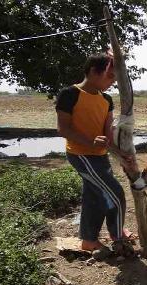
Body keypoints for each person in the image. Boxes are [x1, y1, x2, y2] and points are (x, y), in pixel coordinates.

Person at [55, 53, 134, 260]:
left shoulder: (106, 100)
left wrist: (121, 155)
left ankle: (89, 239)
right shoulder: (70, 94)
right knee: (115, 193)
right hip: (80, 155)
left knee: (94, 196)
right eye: (109, 77)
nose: (111, 83)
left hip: (100, 156)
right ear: (92, 71)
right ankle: (118, 237)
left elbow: (107, 137)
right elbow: (63, 129)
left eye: (114, 80)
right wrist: (90, 142)